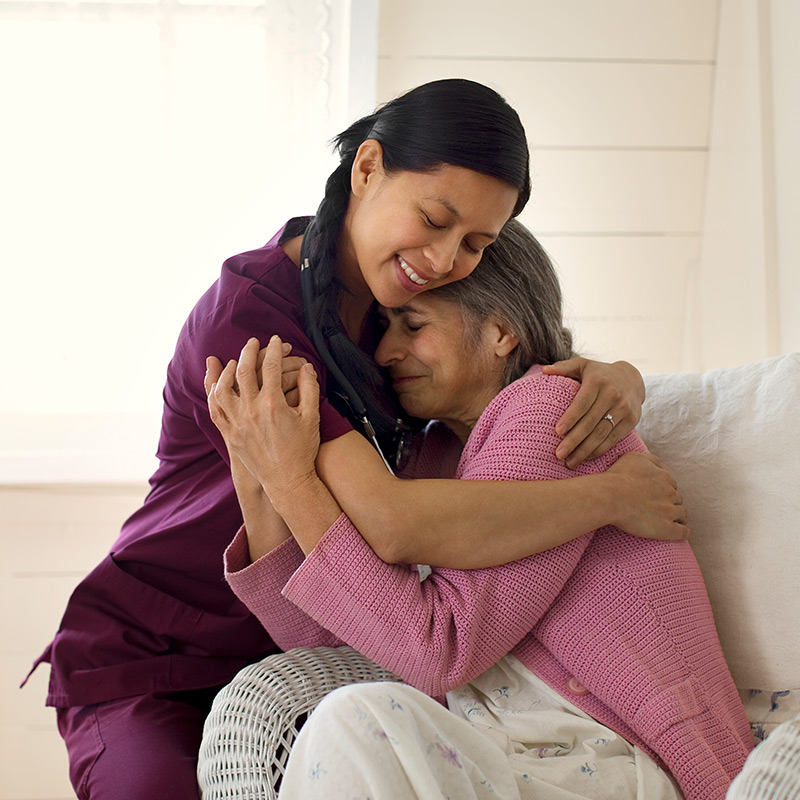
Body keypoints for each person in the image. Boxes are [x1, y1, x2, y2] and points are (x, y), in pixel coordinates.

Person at [31, 79, 678, 800]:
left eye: (474, 244)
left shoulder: (392, 313)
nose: (441, 258)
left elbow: (495, 371)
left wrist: (614, 373)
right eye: (433, 219)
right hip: (155, 651)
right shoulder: (252, 320)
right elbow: (394, 523)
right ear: (366, 169)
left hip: (301, 647)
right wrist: (607, 497)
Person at [207, 220, 753, 800]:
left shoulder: (555, 411)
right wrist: (256, 463)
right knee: (347, 725)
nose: (387, 353)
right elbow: (324, 640)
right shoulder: (433, 453)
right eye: (385, 329)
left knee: (356, 723)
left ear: (500, 331)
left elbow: (438, 648)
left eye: (413, 325)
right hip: (499, 757)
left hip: (610, 757)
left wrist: (294, 480)